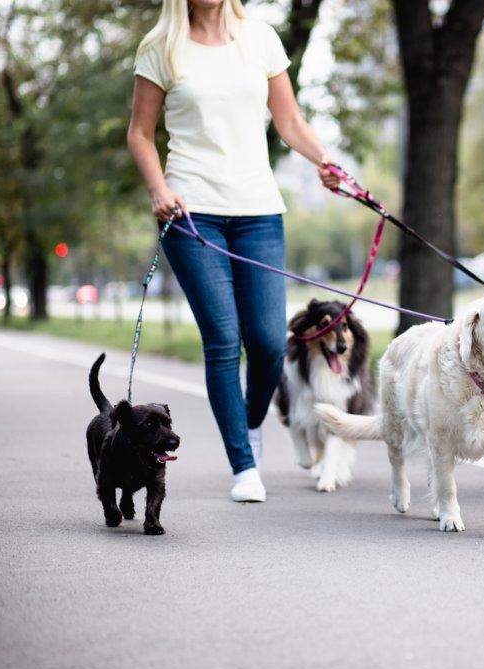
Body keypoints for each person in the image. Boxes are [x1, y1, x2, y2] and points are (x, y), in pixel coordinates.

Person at [127, 0, 339, 502]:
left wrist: (325, 162)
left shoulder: (260, 38)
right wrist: (158, 188)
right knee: (223, 340)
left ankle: (249, 423)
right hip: (189, 212)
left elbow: (288, 121)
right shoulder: (161, 47)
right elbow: (140, 133)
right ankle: (244, 466)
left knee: (267, 342)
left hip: (259, 212)